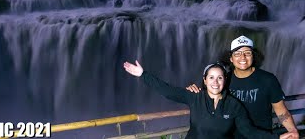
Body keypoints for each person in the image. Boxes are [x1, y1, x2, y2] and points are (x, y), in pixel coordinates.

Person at [123, 60, 297, 139]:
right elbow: (167, 91)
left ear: (225, 81)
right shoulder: (195, 97)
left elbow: (249, 132)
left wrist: (277, 138)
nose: (215, 82)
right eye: (211, 78)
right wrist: (143, 75)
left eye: (220, 78)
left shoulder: (234, 106)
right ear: (204, 81)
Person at [186, 35, 299, 138]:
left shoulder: (268, 80)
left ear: (253, 56)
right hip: (231, 136)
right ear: (231, 58)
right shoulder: (224, 80)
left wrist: (293, 130)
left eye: (247, 53)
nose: (243, 57)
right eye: (237, 54)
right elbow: (209, 94)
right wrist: (194, 90)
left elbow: (280, 110)